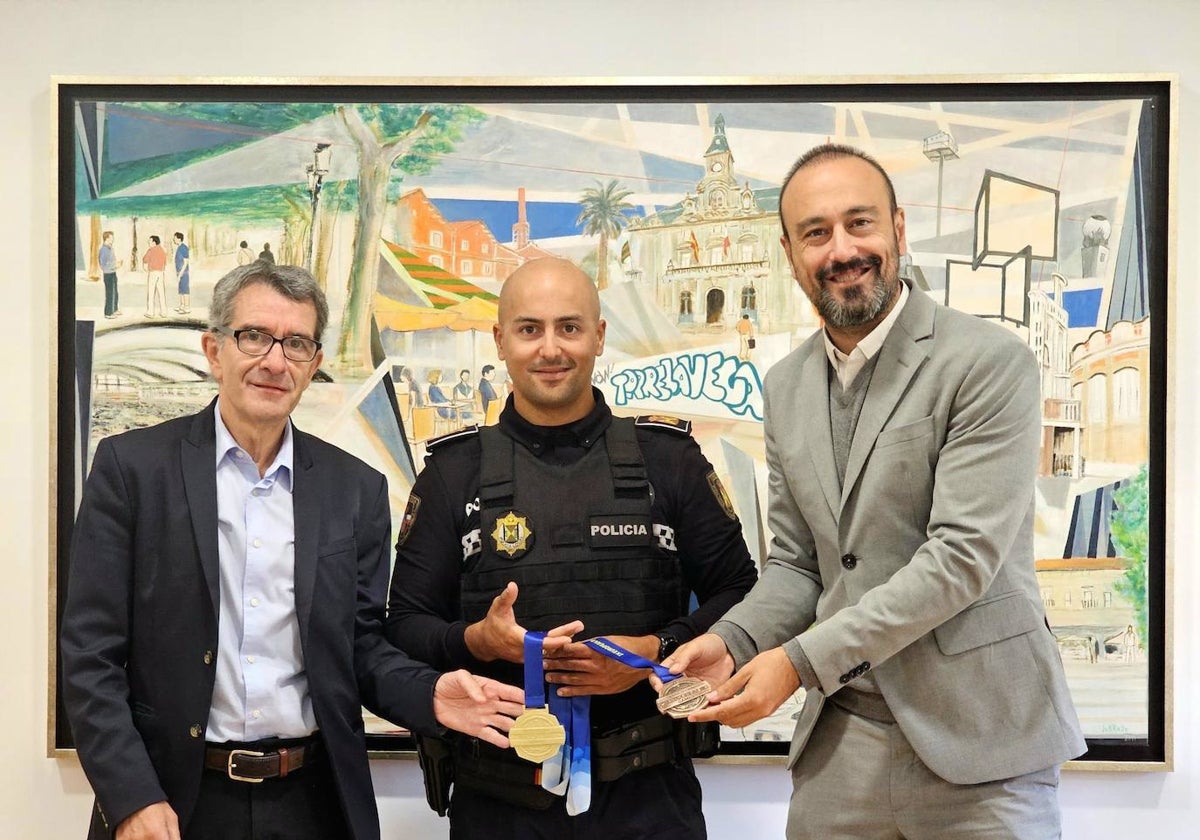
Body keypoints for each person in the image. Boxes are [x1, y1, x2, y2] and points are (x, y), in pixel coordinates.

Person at [661, 145, 1085, 839]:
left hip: (982, 745)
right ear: (790, 252)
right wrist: (734, 641)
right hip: (843, 746)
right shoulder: (786, 387)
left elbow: (961, 561)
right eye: (816, 232)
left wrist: (796, 664)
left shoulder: (989, 362)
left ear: (898, 227)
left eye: (860, 224)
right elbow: (799, 564)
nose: (842, 249)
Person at [61, 263, 524, 840]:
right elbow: (89, 655)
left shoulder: (355, 490)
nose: (275, 361)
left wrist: (430, 694)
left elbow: (359, 647)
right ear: (214, 350)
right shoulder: (131, 470)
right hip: (173, 799)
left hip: (313, 804)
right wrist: (131, 798)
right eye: (254, 336)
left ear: (314, 365)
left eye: (297, 344)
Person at [386, 257, 757, 839]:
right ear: (501, 341)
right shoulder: (452, 474)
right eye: (529, 329)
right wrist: (474, 641)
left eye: (570, 327)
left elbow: (743, 595)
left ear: (600, 336)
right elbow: (404, 623)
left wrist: (654, 650)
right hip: (498, 804)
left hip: (650, 799)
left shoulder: (669, 459)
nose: (550, 348)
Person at [142, 234, 168, 318]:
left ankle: (150, 312)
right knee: (161, 293)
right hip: (160, 273)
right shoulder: (162, 250)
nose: (148, 242)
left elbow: (145, 259)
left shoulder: (151, 250)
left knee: (151, 292)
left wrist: (146, 267)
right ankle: (164, 312)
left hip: (153, 272)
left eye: (150, 241)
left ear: (154, 242)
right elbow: (165, 262)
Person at [98, 230, 123, 318]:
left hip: (113, 272)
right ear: (107, 238)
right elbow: (103, 265)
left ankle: (115, 309)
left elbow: (111, 261)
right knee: (109, 293)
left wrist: (117, 264)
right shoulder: (104, 250)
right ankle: (108, 313)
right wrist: (114, 265)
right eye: (111, 238)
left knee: (115, 292)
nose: (113, 239)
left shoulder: (110, 248)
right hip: (108, 274)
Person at [173, 232, 191, 314]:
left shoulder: (183, 248)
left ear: (179, 238)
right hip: (180, 272)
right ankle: (182, 305)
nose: (174, 239)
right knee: (180, 289)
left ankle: (187, 307)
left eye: (175, 238)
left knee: (185, 289)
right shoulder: (179, 247)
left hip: (184, 272)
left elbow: (186, 262)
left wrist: (180, 274)